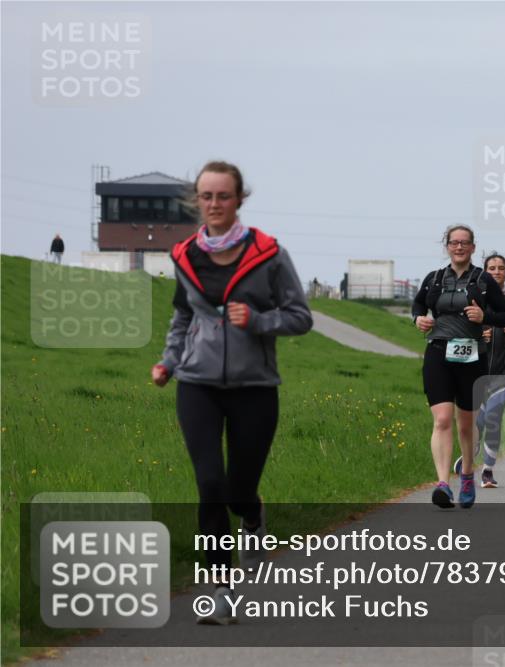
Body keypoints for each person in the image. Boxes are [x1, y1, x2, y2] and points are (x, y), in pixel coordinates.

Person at [150, 161, 313, 624]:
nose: (215, 204)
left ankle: (253, 513)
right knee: (209, 485)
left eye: (223, 196)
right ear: (195, 200)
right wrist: (168, 361)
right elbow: (182, 318)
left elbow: (301, 316)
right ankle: (221, 590)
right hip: (197, 384)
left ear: (239, 199)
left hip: (255, 388)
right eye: (207, 196)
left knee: (239, 490)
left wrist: (259, 321)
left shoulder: (269, 254)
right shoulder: (185, 256)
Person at [412, 225, 505, 508]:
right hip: (438, 352)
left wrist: (484, 315)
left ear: (472, 247)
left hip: (471, 358)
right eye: (454, 243)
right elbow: (418, 306)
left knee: (466, 426)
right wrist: (418, 319)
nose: (458, 247)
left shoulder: (483, 280)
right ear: (447, 246)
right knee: (442, 420)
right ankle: (443, 485)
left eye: (464, 243)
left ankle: (467, 474)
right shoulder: (433, 279)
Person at [452, 252, 505, 489]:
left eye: (501, 268)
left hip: (503, 374)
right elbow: (457, 336)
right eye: (492, 268)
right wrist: (478, 336)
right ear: (485, 272)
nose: (496, 272)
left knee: (492, 418)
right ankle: (470, 454)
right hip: (476, 374)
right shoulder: (473, 301)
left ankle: (487, 471)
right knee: (477, 423)